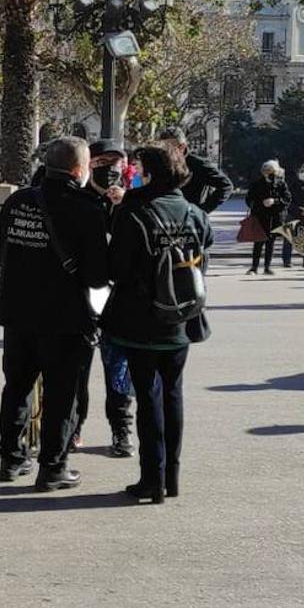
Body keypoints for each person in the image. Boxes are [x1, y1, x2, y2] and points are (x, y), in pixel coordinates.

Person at [0, 136, 108, 491]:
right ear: (78, 170)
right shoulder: (87, 208)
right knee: (61, 394)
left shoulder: (18, 200)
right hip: (64, 318)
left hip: (17, 312)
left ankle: (11, 459)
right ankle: (53, 467)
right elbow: (98, 276)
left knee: (16, 387)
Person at [104, 144, 213, 503]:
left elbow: (116, 268)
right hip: (182, 318)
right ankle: (172, 478)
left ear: (148, 173)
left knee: (148, 399)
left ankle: (152, 479)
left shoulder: (135, 210)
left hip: (141, 320)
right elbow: (204, 250)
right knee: (173, 394)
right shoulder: (194, 212)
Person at [68, 140, 136, 458]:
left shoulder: (133, 204)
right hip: (81, 300)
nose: (110, 170)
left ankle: (121, 430)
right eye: (102, 163)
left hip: (120, 302)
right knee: (77, 371)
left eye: (117, 163)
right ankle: (73, 427)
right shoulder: (77, 201)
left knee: (119, 372)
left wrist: (123, 208)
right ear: (89, 165)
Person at [157, 128, 233, 214]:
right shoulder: (160, 164)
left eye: (170, 147)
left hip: (190, 220)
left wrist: (202, 211)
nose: (166, 152)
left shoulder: (197, 164)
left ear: (182, 147)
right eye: (163, 148)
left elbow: (226, 185)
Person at [246, 159, 292, 275]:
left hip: (275, 218)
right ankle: (254, 267)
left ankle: (267, 267)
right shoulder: (257, 183)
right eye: (266, 170)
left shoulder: (281, 184)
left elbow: (287, 199)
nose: (268, 173)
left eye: (271, 171)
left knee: (270, 243)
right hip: (260, 217)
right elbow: (249, 199)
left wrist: (274, 201)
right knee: (258, 243)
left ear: (275, 172)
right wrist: (260, 203)